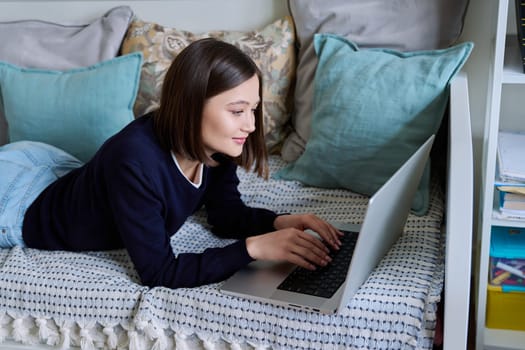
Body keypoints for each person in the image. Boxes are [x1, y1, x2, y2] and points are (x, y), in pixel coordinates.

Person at [0, 38, 342, 289]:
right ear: (192, 106)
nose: (251, 125)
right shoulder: (133, 161)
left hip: (56, 170)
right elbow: (158, 272)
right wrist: (253, 248)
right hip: (18, 202)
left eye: (252, 109)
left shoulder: (218, 147)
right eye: (237, 111)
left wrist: (280, 222)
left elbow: (225, 218)